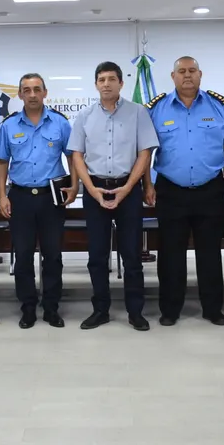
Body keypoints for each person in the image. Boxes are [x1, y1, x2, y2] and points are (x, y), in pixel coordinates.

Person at [143, 57, 224, 327]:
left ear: (200, 74)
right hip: (171, 190)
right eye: (181, 71)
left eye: (191, 71)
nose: (187, 76)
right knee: (170, 254)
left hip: (210, 189)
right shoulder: (157, 109)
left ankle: (213, 309)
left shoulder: (219, 106)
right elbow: (144, 150)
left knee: (210, 252)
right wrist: (147, 183)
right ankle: (170, 309)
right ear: (173, 76)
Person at [69, 61, 159, 331]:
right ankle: (101, 310)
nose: (106, 83)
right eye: (101, 79)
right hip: (95, 191)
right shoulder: (84, 116)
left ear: (121, 83)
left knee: (131, 255)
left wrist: (129, 187)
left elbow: (145, 153)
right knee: (97, 255)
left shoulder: (138, 113)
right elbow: (77, 156)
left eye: (111, 79)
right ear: (96, 84)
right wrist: (91, 189)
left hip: (128, 191)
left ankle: (135, 312)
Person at [0, 73, 77, 329]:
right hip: (20, 197)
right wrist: (2, 195)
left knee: (52, 256)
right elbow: (2, 163)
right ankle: (28, 308)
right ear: (19, 95)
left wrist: (75, 186)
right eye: (26, 90)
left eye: (36, 89)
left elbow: (73, 158)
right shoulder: (9, 126)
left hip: (51, 198)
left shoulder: (60, 124)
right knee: (23, 255)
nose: (32, 94)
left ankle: (51, 308)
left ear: (45, 92)